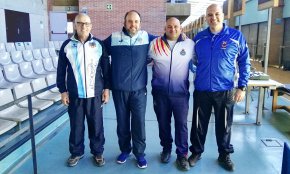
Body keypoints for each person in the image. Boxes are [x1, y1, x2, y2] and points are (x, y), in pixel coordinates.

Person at [188, 4, 251, 171]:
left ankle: (224, 155)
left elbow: (244, 62)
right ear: (206, 17)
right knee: (198, 124)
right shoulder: (199, 38)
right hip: (202, 90)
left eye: (216, 14)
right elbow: (192, 61)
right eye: (209, 15)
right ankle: (196, 152)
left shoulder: (235, 36)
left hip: (225, 90)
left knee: (223, 125)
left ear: (223, 15)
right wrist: (197, 71)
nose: (213, 17)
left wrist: (242, 86)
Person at [56, 13, 110, 167]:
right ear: (75, 25)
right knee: (76, 126)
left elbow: (106, 69)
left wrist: (106, 88)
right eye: (80, 23)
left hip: (95, 94)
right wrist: (63, 90)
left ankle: (98, 152)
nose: (83, 26)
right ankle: (76, 152)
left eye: (87, 23)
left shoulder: (99, 44)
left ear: (91, 26)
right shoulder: (67, 45)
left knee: (96, 125)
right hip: (75, 95)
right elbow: (61, 70)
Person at [103, 10, 155, 169]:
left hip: (139, 90)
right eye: (130, 21)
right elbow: (98, 48)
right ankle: (125, 150)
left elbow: (167, 39)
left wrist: (181, 36)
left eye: (136, 21)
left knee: (139, 123)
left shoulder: (147, 37)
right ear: (124, 22)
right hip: (119, 90)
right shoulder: (114, 38)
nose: (133, 24)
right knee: (122, 123)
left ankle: (140, 154)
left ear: (140, 23)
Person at [148, 17, 194, 171]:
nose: (172, 29)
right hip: (160, 94)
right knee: (163, 123)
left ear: (180, 28)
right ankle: (166, 149)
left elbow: (198, 62)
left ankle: (182, 155)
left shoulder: (189, 44)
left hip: (180, 94)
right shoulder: (155, 44)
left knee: (181, 125)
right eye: (169, 27)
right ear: (165, 28)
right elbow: (144, 61)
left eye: (175, 26)